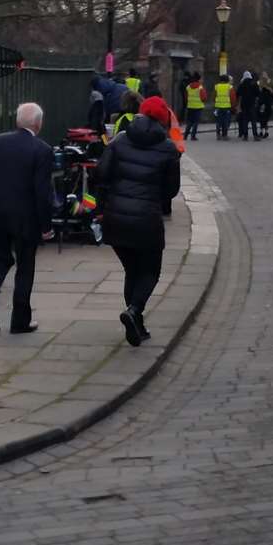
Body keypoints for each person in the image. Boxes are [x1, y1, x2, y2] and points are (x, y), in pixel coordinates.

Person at [95, 95, 181, 347]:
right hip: (146, 219)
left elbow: (101, 173)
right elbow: (171, 190)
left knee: (132, 270)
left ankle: (136, 323)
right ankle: (134, 311)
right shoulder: (168, 149)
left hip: (116, 218)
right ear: (164, 120)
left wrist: (107, 201)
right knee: (151, 270)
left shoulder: (119, 140)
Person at [0, 102, 55, 335]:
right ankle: (20, 321)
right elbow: (42, 192)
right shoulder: (43, 150)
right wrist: (46, 225)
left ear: (18, 121)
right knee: (25, 267)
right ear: (38, 124)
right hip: (26, 218)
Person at [236, 69, 259, 140]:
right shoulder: (254, 83)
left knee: (245, 120)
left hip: (244, 104)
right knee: (253, 120)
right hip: (252, 104)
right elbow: (258, 93)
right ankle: (255, 135)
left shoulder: (241, 84)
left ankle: (245, 136)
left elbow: (238, 94)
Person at [184, 72, 206, 141]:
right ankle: (193, 136)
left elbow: (186, 96)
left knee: (189, 121)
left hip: (190, 106)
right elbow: (203, 98)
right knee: (196, 122)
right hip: (198, 107)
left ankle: (185, 136)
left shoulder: (188, 87)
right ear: (199, 79)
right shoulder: (200, 87)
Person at [212, 74, 235, 140]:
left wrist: (216, 102)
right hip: (227, 106)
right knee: (225, 121)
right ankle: (224, 135)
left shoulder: (216, 86)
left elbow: (214, 96)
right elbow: (232, 97)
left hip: (218, 106)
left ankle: (218, 134)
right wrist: (233, 106)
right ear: (227, 80)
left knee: (218, 121)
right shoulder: (230, 87)